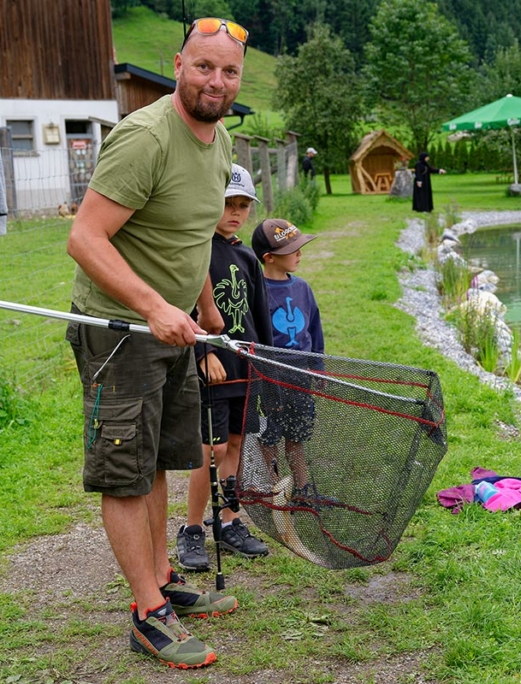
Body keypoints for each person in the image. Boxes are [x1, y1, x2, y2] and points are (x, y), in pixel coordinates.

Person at [65, 16, 248, 670]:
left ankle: (163, 581)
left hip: (177, 329)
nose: (215, 81)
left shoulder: (220, 140)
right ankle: (147, 614)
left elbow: (194, 234)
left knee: (162, 458)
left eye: (228, 72)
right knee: (125, 468)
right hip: (121, 333)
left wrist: (205, 314)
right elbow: (85, 239)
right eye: (203, 66)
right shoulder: (145, 139)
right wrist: (151, 305)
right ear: (177, 64)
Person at [177, 164, 272, 573]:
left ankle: (229, 522)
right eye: (226, 204)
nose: (234, 212)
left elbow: (260, 316)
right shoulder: (195, 250)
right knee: (210, 450)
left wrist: (267, 364)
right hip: (211, 369)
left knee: (236, 444)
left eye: (242, 206)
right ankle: (192, 528)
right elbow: (183, 309)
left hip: (244, 367)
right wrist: (202, 353)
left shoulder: (247, 256)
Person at [251, 218, 323, 498]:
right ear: (269, 258)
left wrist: (318, 366)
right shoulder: (257, 292)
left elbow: (315, 330)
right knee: (269, 434)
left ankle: (303, 488)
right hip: (269, 377)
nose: (299, 253)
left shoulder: (302, 288)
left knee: (297, 435)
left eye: (300, 247)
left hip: (300, 375)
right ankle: (276, 486)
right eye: (292, 249)